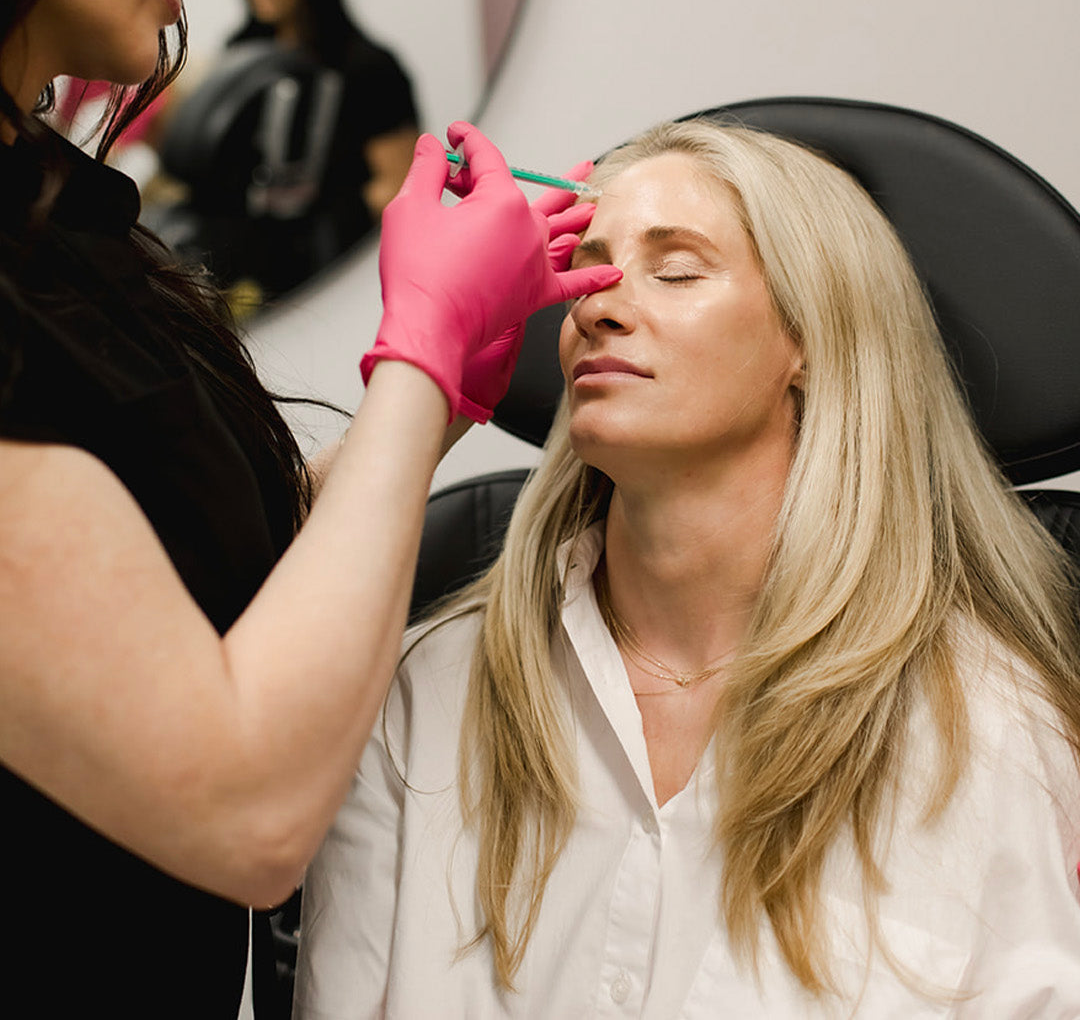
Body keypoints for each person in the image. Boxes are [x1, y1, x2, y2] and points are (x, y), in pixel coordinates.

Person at [0, 0, 619, 1015]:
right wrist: (419, 346)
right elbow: (247, 804)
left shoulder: (68, 230)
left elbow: (253, 593)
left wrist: (444, 379)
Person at [293, 118, 1080, 1017]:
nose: (598, 305)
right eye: (585, 271)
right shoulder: (427, 692)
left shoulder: (982, 732)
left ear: (813, 341)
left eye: (676, 271)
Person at [149, 0, 420, 300]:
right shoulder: (239, 55)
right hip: (247, 284)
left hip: (336, 279)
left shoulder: (368, 68)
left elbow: (396, 192)